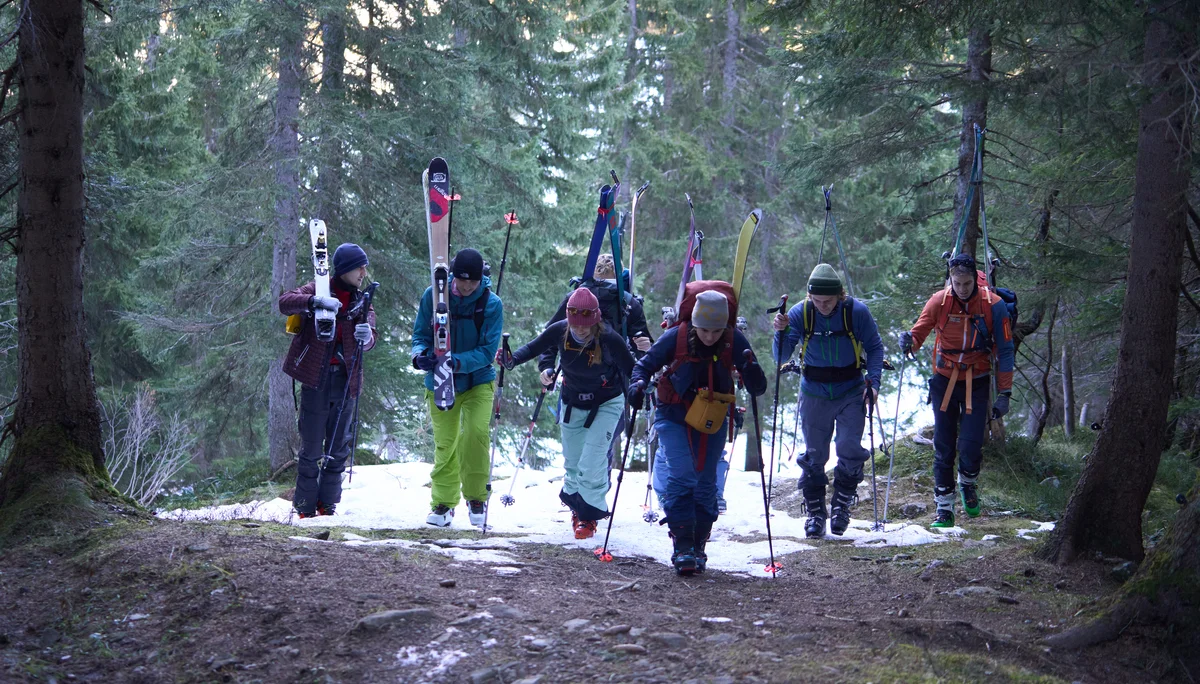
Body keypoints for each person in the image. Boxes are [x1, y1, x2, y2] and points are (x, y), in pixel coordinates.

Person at [630, 285, 767, 576]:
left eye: (716, 331)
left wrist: (752, 372)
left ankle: (698, 544)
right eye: (704, 331)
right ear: (694, 323)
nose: (709, 336)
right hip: (674, 414)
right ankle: (682, 547)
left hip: (713, 417)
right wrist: (637, 384)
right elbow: (644, 365)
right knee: (681, 474)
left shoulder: (732, 340)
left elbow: (758, 383)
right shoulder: (676, 337)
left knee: (706, 484)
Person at [498, 287, 636, 539]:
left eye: (586, 324)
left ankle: (589, 516)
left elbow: (632, 369)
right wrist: (512, 360)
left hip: (607, 402)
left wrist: (641, 386)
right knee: (573, 463)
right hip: (572, 400)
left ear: (595, 320)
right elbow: (532, 348)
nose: (580, 329)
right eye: (576, 323)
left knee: (592, 459)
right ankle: (577, 508)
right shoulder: (560, 330)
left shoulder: (609, 338)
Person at [899, 253, 1014, 528]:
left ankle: (968, 483)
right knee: (943, 445)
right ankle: (944, 508)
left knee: (971, 444)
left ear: (976, 279)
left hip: (977, 379)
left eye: (967, 283)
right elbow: (920, 332)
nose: (962, 289)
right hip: (944, 379)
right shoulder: (939, 301)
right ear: (950, 280)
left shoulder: (993, 305)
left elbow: (1006, 351)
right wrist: (908, 342)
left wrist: (1005, 394)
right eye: (957, 283)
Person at [771, 264, 885, 538]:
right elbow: (781, 356)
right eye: (817, 300)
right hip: (814, 392)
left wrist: (875, 383)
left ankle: (841, 505)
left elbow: (875, 347)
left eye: (828, 301)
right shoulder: (801, 312)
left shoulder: (856, 312)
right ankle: (815, 512)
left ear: (840, 296)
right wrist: (781, 332)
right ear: (810, 297)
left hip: (851, 389)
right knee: (815, 454)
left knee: (848, 448)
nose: (822, 306)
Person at [279, 243, 376, 518]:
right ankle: (304, 508)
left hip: (347, 382)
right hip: (315, 379)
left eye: (364, 267)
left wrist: (367, 337)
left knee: (338, 447)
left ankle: (327, 506)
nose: (363, 272)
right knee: (311, 446)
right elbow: (285, 301)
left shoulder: (362, 300)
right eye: (359, 267)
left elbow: (371, 331)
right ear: (344, 269)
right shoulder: (318, 289)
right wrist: (314, 303)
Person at [412, 248, 504, 528]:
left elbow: (488, 351)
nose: (465, 287)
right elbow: (420, 335)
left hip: (477, 380)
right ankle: (443, 503)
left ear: (480, 280)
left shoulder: (491, 304)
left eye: (472, 282)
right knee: (446, 441)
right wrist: (421, 356)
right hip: (440, 381)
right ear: (452, 276)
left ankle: (476, 498)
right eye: (461, 281)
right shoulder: (434, 295)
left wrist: (455, 362)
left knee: (476, 434)